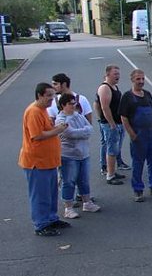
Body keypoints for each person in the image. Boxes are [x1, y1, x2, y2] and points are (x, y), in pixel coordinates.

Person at [19, 83, 69, 236]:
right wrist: (58, 130)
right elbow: (37, 136)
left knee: (51, 193)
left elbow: (46, 129)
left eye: (53, 95)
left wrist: (55, 127)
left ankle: (51, 218)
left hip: (48, 161)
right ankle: (41, 224)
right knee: (40, 195)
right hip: (37, 162)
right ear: (39, 95)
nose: (52, 99)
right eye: (48, 96)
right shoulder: (33, 112)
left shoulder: (43, 110)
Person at [119, 69, 152, 202]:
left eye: (143, 79)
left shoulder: (148, 95)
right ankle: (138, 190)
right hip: (138, 134)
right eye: (138, 79)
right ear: (132, 80)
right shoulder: (127, 97)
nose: (141, 81)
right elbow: (124, 118)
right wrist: (132, 135)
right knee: (138, 163)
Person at [55, 93, 99, 218]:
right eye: (70, 104)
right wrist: (83, 132)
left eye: (74, 103)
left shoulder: (78, 115)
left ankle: (87, 202)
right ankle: (68, 208)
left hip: (83, 154)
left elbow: (89, 128)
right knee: (69, 181)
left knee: (84, 180)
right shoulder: (60, 120)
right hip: (68, 156)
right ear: (63, 105)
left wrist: (82, 132)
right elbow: (69, 133)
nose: (73, 106)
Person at [94, 65, 127, 185]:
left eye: (118, 74)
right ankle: (110, 175)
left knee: (115, 148)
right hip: (111, 125)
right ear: (107, 74)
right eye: (115, 74)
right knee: (111, 149)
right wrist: (111, 124)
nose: (118, 76)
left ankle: (111, 170)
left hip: (118, 122)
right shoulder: (105, 88)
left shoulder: (114, 87)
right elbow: (104, 107)